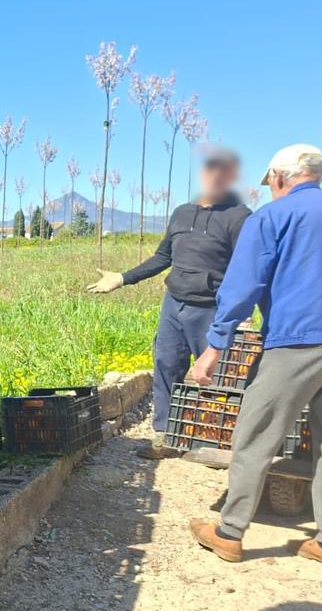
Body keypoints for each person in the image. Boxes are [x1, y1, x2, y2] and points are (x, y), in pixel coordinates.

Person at [188, 145, 322, 570]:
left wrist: (215, 347)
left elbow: (242, 286)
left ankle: (229, 533)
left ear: (279, 177)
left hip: (296, 342)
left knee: (254, 437)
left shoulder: (273, 217)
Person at [87, 148, 251, 458]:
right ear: (204, 174)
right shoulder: (181, 212)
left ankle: (215, 441)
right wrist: (123, 278)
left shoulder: (239, 216)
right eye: (211, 170)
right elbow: (164, 256)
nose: (216, 177)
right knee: (166, 366)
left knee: (216, 376)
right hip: (174, 305)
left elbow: (245, 268)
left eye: (224, 172)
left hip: (212, 309)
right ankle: (164, 436)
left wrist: (238, 314)